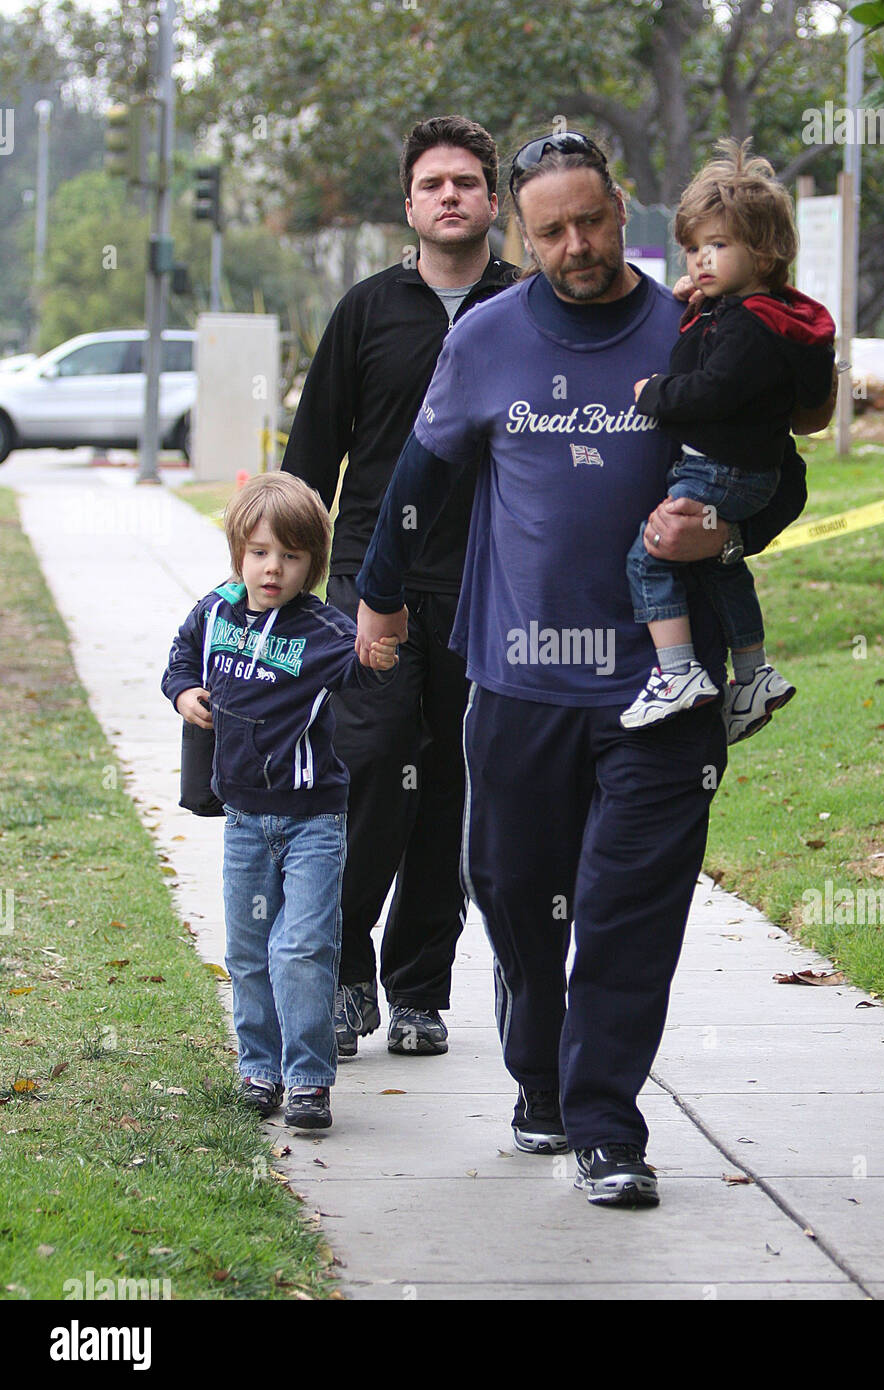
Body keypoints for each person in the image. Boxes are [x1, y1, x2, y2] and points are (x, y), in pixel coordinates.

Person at [353, 132, 745, 1208]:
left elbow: (777, 476)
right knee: (520, 898)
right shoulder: (485, 339)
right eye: (554, 229)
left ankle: (607, 1124)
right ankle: (542, 1081)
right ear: (523, 234)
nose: (577, 244)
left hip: (663, 687)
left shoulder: (693, 333)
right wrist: (379, 598)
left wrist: (726, 530)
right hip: (519, 686)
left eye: (594, 220)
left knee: (627, 913)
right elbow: (416, 487)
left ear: (624, 211)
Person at [282, 116, 520, 1060]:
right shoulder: (367, 312)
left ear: (492, 201)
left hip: (490, 588)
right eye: (433, 184)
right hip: (370, 583)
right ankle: (344, 972)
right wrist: (283, 593)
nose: (451, 196)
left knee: (453, 786)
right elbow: (308, 464)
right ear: (410, 205)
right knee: (372, 769)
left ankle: (420, 989)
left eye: (467, 181)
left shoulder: (526, 311)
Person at [161, 473, 398, 1131]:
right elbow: (179, 662)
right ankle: (257, 1069)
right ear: (238, 551)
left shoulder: (323, 630)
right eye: (261, 552)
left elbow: (363, 666)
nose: (273, 568)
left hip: (312, 823)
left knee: (302, 948)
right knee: (246, 949)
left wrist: (380, 651)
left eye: (291, 557)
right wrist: (184, 696)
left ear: (311, 565)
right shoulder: (214, 614)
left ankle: (308, 1081)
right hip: (243, 818)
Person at [621, 141, 836, 735]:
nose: (700, 262)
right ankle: (753, 672)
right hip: (752, 473)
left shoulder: (746, 327)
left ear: (764, 251)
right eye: (692, 250)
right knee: (722, 562)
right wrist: (703, 307)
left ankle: (677, 670)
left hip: (717, 469)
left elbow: (712, 390)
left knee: (650, 552)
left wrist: (653, 394)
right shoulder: (779, 317)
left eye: (718, 246)